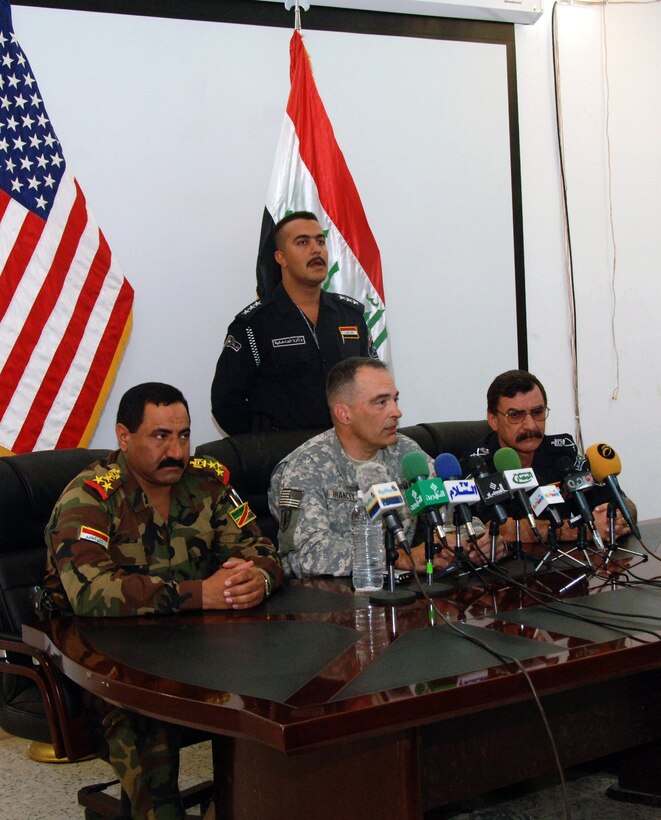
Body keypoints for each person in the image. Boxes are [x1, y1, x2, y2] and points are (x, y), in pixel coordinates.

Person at [44, 382, 283, 819]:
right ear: (123, 437)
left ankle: (243, 802)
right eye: (160, 437)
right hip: (111, 659)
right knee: (143, 722)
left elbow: (259, 547)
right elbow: (91, 591)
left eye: (184, 435)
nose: (176, 450)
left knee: (280, 691)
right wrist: (201, 593)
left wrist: (259, 580)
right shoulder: (90, 497)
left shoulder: (205, 484)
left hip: (198, 645)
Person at [268, 357, 501, 578]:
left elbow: (451, 513)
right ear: (344, 413)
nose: (396, 412)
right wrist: (398, 558)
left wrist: (475, 540)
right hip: (335, 601)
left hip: (406, 593)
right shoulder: (305, 467)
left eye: (395, 400)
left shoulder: (406, 452)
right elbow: (305, 555)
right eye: (381, 402)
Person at [211, 210, 378, 435]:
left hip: (348, 451)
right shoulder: (254, 325)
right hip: (285, 457)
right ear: (281, 258)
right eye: (302, 242)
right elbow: (226, 404)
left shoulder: (350, 315)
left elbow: (373, 384)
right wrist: (266, 446)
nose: (316, 249)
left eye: (320, 241)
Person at [465, 369, 635, 545]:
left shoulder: (562, 453)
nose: (530, 425)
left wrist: (615, 519)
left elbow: (623, 504)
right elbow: (499, 529)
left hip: (570, 563)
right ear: (493, 420)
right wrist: (583, 530)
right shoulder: (478, 462)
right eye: (515, 415)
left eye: (538, 412)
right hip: (512, 568)